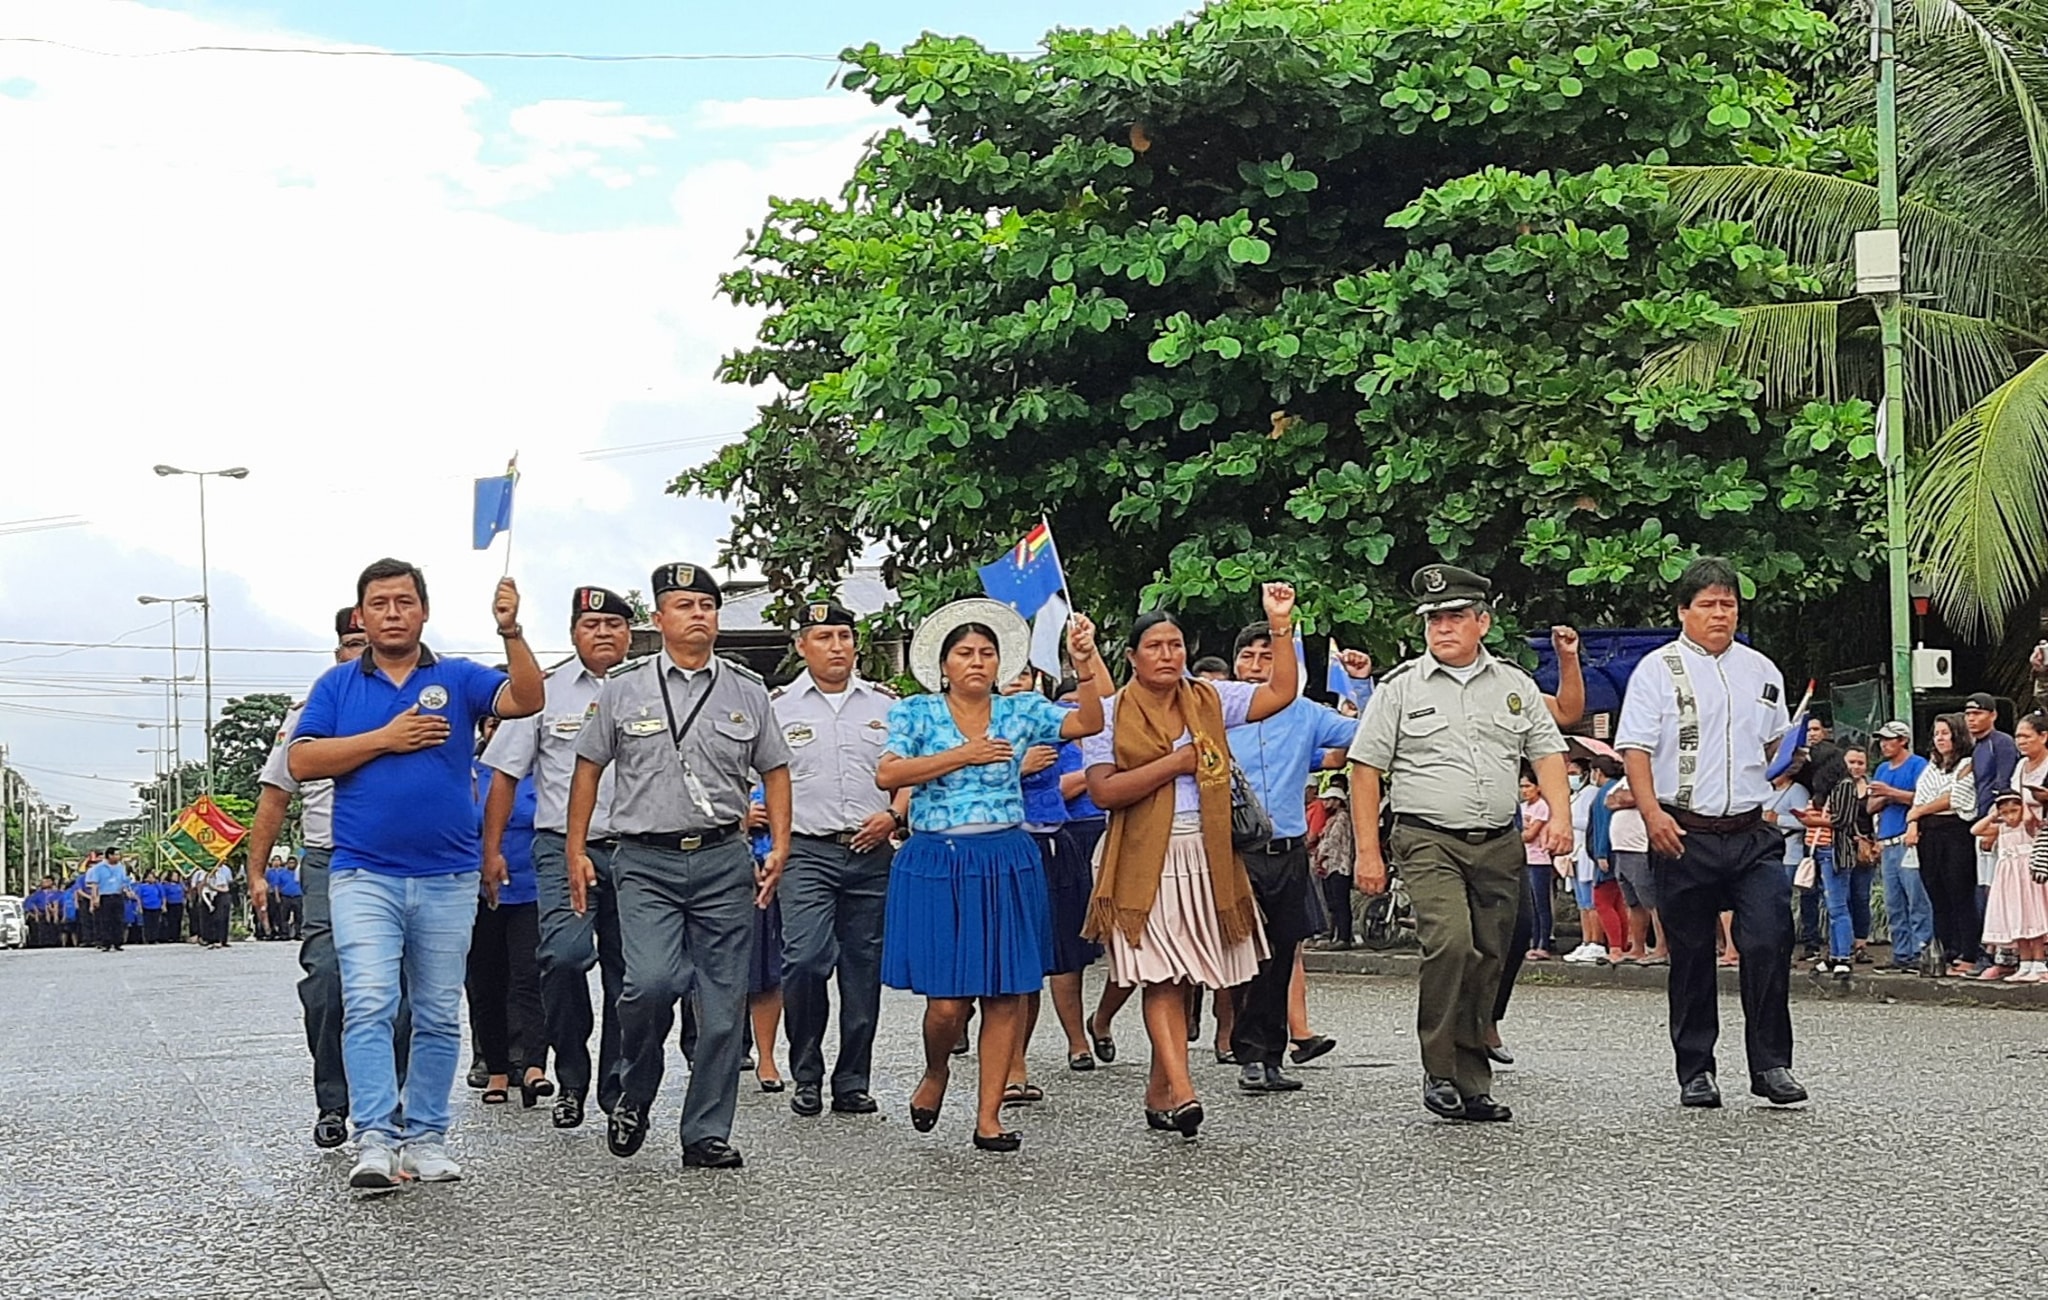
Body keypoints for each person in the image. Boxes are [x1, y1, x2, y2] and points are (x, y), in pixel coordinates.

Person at [289, 558, 542, 1193]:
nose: (393, 614)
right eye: (380, 604)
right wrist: (386, 738)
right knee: (370, 1002)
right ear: (362, 615)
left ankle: (426, 1137)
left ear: (424, 611)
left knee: (435, 1011)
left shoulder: (456, 676)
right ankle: (375, 1138)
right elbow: (302, 760)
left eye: (405, 602)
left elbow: (527, 699)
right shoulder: (337, 685)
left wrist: (511, 631)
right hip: (363, 873)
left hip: (448, 876)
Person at [567, 562, 792, 1171]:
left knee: (721, 1007)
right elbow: (588, 768)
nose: (698, 615)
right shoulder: (625, 687)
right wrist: (576, 849)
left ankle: (705, 1132)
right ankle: (634, 1090)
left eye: (707, 606)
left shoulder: (747, 689)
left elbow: (775, 769)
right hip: (645, 860)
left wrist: (780, 843)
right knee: (650, 983)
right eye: (685, 605)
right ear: (659, 618)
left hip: (722, 858)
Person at [880, 597, 1106, 1153]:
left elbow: (1090, 722)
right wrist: (965, 754)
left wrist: (1084, 664)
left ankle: (989, 1116)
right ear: (944, 664)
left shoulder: (1020, 710)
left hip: (1006, 855)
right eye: (965, 653)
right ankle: (936, 1070)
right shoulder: (916, 713)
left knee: (1007, 991)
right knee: (948, 1003)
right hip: (939, 858)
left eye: (987, 652)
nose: (977, 662)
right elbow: (889, 773)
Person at [1351, 565, 1569, 1121]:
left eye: (1454, 617)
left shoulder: (1514, 685)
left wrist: (1561, 817)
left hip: (1498, 841)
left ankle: (1473, 1082)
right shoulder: (1401, 687)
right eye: (1434, 619)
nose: (1443, 628)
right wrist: (1368, 852)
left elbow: (1547, 753)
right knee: (1451, 943)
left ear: (1482, 623)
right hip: (1428, 839)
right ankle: (1439, 1068)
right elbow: (1365, 770)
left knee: (1490, 955)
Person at [1080, 587, 1293, 1136]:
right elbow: (1103, 791)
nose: (1168, 655)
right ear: (1132, 656)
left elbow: (1280, 693)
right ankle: (1184, 1090)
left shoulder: (1208, 697)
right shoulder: (1108, 713)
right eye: (1155, 646)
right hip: (1140, 857)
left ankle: (1159, 1091)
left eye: (1175, 645)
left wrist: (1280, 625)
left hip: (1206, 851)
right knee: (1159, 976)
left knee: (1184, 978)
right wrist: (1175, 764)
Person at [1615, 557, 1805, 1109]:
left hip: (1749, 830)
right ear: (1683, 611)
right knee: (1692, 953)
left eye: (1729, 604)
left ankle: (1771, 1064)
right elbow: (1635, 749)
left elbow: (1775, 744)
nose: (1720, 614)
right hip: (1683, 830)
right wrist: (1652, 815)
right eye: (1708, 605)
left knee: (1768, 938)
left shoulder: (1761, 670)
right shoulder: (1656, 670)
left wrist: (1789, 759)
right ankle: (1696, 1069)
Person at [480, 584, 635, 1131]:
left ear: (630, 634)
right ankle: (571, 1076)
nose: (603, 633)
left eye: (614, 625)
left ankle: (618, 1089)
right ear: (573, 634)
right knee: (564, 957)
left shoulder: (650, 690)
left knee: (630, 975)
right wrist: (492, 850)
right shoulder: (545, 693)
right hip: (560, 846)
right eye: (592, 625)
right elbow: (504, 775)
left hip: (638, 850)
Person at [249, 605, 397, 1149]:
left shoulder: (413, 701)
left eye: (369, 644)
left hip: (397, 858)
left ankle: (393, 1101)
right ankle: (334, 1100)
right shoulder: (313, 710)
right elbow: (275, 793)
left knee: (401, 991)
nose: (361, 654)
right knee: (327, 981)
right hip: (328, 859)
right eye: (352, 644)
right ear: (338, 653)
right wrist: (256, 871)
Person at [468, 720, 547, 1107]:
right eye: (493, 724)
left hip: (532, 887)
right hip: (480, 890)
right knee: (486, 982)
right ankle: (496, 1068)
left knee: (529, 977)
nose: (500, 732)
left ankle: (534, 1065)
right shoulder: (470, 772)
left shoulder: (542, 772)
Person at [1907, 713, 1978, 976]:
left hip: (1955, 832)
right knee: (1937, 895)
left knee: (1960, 893)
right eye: (1936, 734)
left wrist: (1919, 811)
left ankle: (1968, 953)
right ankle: (1945, 950)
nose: (1940, 739)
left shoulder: (1968, 763)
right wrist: (1914, 821)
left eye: (1945, 733)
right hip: (1929, 834)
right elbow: (1920, 798)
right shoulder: (1931, 767)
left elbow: (1955, 798)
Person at [1869, 721, 1935, 973]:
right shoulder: (1881, 769)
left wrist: (1890, 793)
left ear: (1903, 740)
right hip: (1887, 842)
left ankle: (1923, 951)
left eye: (1889, 739)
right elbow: (1870, 805)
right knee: (1893, 902)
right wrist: (1889, 796)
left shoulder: (1918, 765)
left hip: (1908, 840)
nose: (1884, 744)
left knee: (1917, 899)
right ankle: (1901, 953)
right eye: (1882, 740)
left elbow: (1923, 799)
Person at [1963, 692, 2019, 973]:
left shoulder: (2002, 743)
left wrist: (1995, 828)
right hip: (1981, 822)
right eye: (1968, 714)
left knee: (1999, 892)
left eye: (1977, 713)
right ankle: (1989, 953)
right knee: (1984, 892)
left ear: (1993, 715)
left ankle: (2004, 955)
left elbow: (2006, 787)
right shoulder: (1978, 747)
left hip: (1998, 826)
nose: (1971, 719)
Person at [1975, 790, 2047, 981]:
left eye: (2014, 810)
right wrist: (1994, 815)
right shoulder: (2001, 829)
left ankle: (2039, 964)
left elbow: (2028, 819)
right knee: (2018, 919)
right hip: (2010, 881)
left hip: (2027, 879)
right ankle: (2025, 964)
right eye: (2005, 813)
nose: (2010, 816)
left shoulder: (2028, 826)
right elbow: (1975, 830)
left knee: (2033, 918)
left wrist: (2024, 806)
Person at [1311, 782, 1355, 949]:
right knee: (1332, 904)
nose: (1325, 803)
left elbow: (1333, 840)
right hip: (1329, 866)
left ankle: (1344, 937)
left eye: (1329, 800)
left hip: (1339, 864)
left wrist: (1321, 856)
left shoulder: (1342, 817)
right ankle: (1335, 935)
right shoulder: (1331, 819)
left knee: (1340, 902)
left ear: (1338, 801)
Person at [1520, 773, 1556, 960]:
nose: (1524, 790)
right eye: (1522, 787)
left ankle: (1544, 943)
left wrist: (1523, 831)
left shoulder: (1542, 807)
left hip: (1539, 860)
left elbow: (1529, 835)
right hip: (1525, 859)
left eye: (1528, 786)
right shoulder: (1522, 807)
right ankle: (1533, 942)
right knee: (1531, 905)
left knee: (1542, 904)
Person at [86, 848, 133, 952]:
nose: (118, 857)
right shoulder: (98, 868)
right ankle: (106, 943)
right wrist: (95, 898)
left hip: (117, 895)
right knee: (105, 920)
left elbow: (124, 881)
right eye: (116, 855)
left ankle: (118, 942)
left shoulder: (121, 867)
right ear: (109, 856)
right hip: (105, 896)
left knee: (118, 920)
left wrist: (127, 890)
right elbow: (95, 884)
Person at [162, 867, 185, 945]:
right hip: (171, 904)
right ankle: (171, 936)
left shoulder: (180, 885)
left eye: (177, 876)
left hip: (179, 904)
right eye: (174, 876)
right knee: (172, 921)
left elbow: (184, 891)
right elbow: (164, 895)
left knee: (178, 920)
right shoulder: (166, 885)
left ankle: (177, 936)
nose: (176, 877)